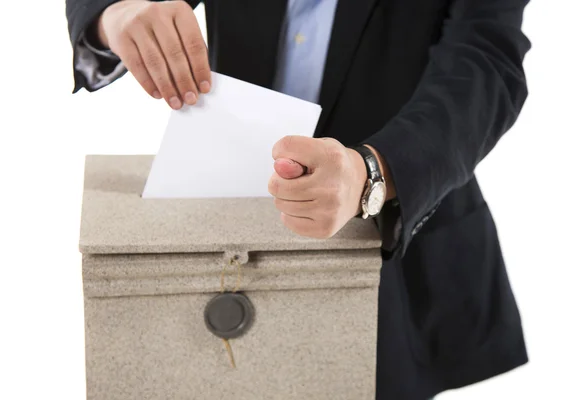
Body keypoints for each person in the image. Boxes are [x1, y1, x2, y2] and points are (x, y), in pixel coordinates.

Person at [66, 0, 530, 398]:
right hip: (227, 238)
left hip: (398, 248)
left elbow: (485, 59)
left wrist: (373, 172)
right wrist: (117, 12)